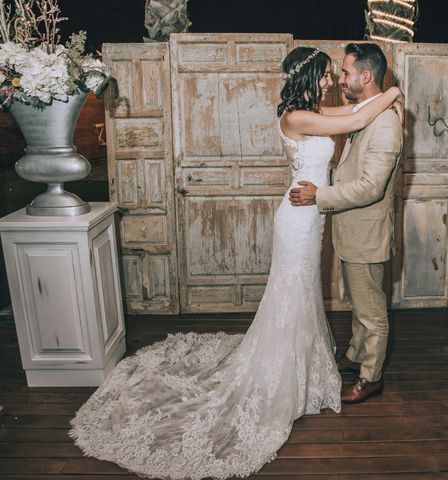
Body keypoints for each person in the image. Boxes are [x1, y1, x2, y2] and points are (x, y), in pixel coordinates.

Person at [69, 46, 402, 480]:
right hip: (300, 216)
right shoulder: (298, 118)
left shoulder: (315, 110)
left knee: (302, 291)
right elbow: (356, 119)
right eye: (325, 74)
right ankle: (285, 368)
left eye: (336, 73)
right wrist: (394, 92)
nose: (332, 80)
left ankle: (303, 363)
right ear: (308, 77)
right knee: (293, 290)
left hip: (314, 213)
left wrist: (385, 98)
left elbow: (354, 120)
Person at [289, 43, 404, 404]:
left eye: (345, 73)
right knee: (358, 300)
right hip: (352, 228)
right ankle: (355, 355)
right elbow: (350, 118)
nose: (340, 79)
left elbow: (371, 187)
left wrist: (319, 196)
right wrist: (393, 94)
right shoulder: (369, 112)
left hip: (367, 230)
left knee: (372, 311)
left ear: (365, 77)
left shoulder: (385, 122)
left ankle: (371, 377)